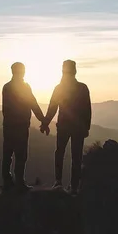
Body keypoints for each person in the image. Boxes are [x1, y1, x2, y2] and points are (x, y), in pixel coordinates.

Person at [41, 60, 91, 195]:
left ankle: (58, 182)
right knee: (76, 156)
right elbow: (87, 109)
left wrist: (45, 123)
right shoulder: (82, 88)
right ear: (75, 71)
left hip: (63, 126)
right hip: (78, 127)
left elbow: (52, 107)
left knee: (60, 153)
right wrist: (86, 127)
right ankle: (74, 186)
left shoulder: (59, 88)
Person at [2, 62, 45, 192]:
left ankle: (8, 181)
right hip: (20, 126)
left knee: (8, 153)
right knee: (20, 154)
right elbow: (33, 104)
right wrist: (43, 120)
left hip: (9, 126)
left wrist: (43, 120)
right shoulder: (24, 87)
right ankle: (19, 182)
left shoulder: (7, 87)